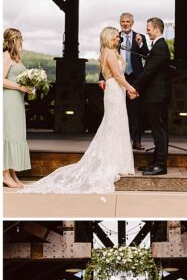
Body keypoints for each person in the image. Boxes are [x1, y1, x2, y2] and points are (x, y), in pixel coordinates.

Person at [22, 27, 137, 194]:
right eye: (116, 37)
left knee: (114, 125)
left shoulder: (107, 52)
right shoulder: (109, 53)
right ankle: (115, 163)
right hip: (115, 89)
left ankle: (117, 161)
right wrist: (131, 88)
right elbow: (118, 76)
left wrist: (126, 90)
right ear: (109, 37)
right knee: (114, 125)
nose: (118, 40)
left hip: (116, 90)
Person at [133, 17, 171, 176]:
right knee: (156, 130)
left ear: (156, 28)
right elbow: (150, 60)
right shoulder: (156, 46)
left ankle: (161, 165)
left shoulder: (161, 47)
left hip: (158, 95)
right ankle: (156, 162)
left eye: (148, 28)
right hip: (154, 95)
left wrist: (134, 87)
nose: (146, 31)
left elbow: (149, 71)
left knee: (159, 130)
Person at [114, 13, 150, 150]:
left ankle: (136, 140)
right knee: (119, 110)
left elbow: (147, 55)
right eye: (122, 21)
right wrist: (101, 77)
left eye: (127, 21)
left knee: (136, 111)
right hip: (120, 77)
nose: (125, 24)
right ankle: (119, 142)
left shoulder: (139, 37)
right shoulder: (115, 37)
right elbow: (107, 58)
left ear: (132, 23)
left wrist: (140, 43)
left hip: (135, 78)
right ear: (120, 22)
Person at [3, 28, 32, 188]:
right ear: (15, 39)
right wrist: (19, 87)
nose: (22, 41)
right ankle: (5, 174)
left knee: (16, 134)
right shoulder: (6, 56)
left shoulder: (16, 57)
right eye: (20, 39)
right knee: (8, 134)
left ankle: (13, 173)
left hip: (17, 101)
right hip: (8, 99)